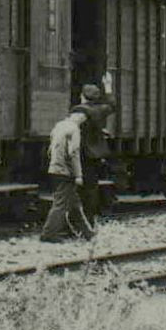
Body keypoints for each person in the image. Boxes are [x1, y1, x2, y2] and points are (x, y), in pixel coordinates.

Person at [40, 106, 95, 242]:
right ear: (77, 115)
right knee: (61, 204)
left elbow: (50, 148)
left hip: (55, 168)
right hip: (66, 172)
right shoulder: (74, 129)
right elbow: (73, 152)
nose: (82, 120)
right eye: (83, 117)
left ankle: (87, 233)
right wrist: (78, 175)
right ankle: (49, 234)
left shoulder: (59, 126)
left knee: (74, 204)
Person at [77, 82, 117, 217]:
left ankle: (82, 217)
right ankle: (90, 217)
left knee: (80, 186)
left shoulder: (80, 110)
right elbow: (112, 105)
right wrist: (109, 87)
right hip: (96, 153)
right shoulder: (102, 110)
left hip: (82, 152)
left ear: (82, 96)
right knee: (92, 186)